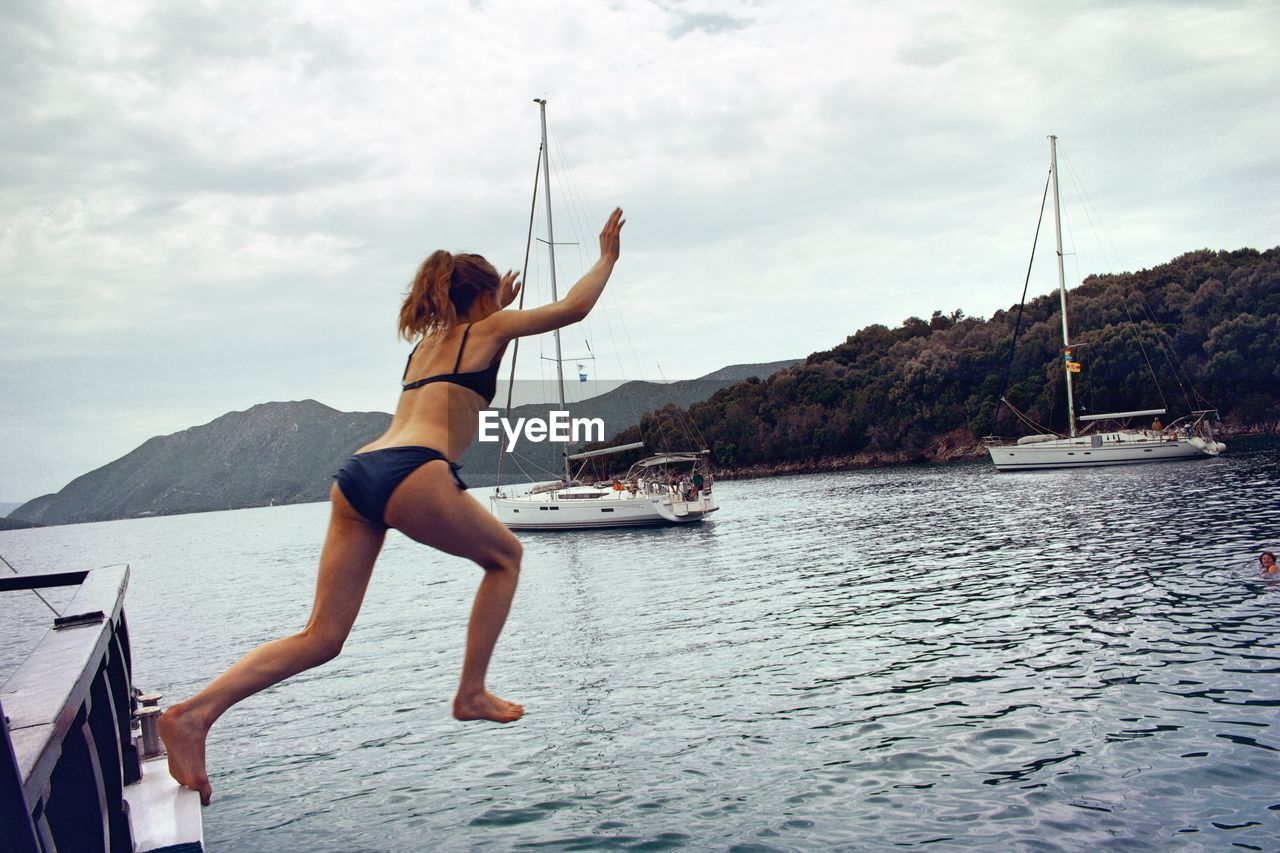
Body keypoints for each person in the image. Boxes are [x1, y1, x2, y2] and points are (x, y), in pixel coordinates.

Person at [159, 208, 626, 806]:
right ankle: (472, 692)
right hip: (416, 472)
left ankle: (194, 715)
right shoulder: (487, 330)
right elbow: (574, 310)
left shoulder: (428, 347)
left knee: (321, 637)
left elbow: (474, 338)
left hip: (360, 475)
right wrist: (606, 257)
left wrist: (493, 301)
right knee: (505, 557)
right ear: (482, 300)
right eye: (494, 301)